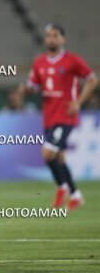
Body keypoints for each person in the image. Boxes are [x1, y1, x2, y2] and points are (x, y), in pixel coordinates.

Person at [19, 23, 97, 209]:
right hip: (49, 117)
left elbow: (92, 79)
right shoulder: (39, 62)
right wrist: (25, 90)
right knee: (59, 158)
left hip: (66, 116)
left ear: (63, 39)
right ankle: (76, 195)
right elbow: (34, 86)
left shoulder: (72, 60)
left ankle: (62, 187)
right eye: (48, 36)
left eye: (55, 35)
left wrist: (78, 102)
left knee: (47, 153)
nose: (51, 39)